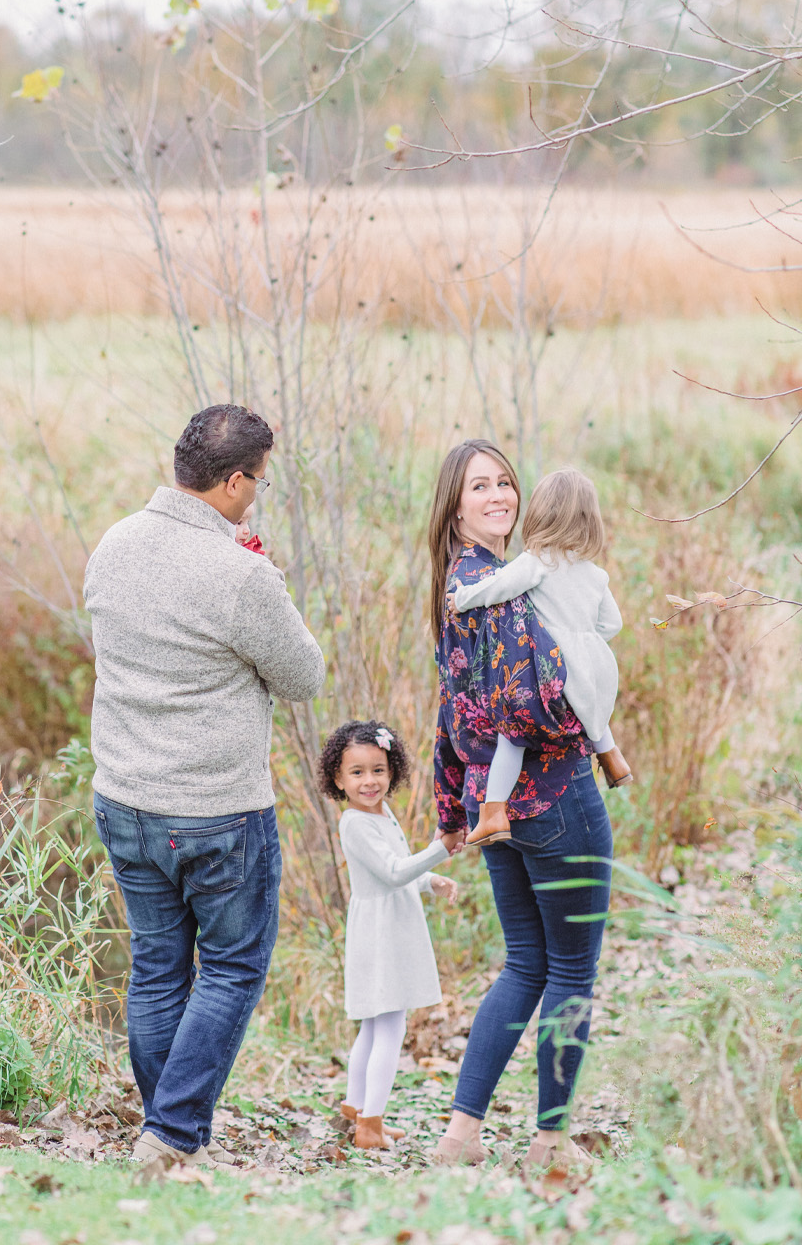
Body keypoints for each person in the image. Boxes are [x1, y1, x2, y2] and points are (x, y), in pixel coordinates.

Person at [84, 403, 325, 1169]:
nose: (256, 493)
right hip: (215, 811)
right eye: (255, 481)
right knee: (230, 969)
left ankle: (166, 1135)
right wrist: (265, 575)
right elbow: (303, 677)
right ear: (231, 481)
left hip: (124, 795)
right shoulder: (242, 575)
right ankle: (171, 1134)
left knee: (158, 967)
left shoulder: (114, 543)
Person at [428, 439, 613, 1172]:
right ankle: (548, 1147)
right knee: (569, 974)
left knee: (525, 966)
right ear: (455, 504)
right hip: (555, 797)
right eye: (480, 487)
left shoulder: (464, 581)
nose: (499, 496)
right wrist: (586, 724)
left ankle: (460, 1137)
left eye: (505, 482)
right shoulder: (510, 589)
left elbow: (451, 714)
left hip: (494, 806)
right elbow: (526, 705)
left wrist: (455, 806)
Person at [448, 467, 633, 848]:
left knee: (512, 737)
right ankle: (613, 760)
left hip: (552, 669)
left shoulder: (538, 561)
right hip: (593, 663)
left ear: (539, 515)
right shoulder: (594, 573)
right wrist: (586, 643)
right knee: (589, 705)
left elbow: (498, 587)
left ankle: (494, 811)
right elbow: (612, 623)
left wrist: (462, 597)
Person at [320, 719, 458, 1151]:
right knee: (390, 1025)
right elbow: (394, 871)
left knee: (375, 1022)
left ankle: (358, 1105)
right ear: (338, 778)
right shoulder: (354, 823)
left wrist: (430, 879)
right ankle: (371, 1124)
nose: (369, 781)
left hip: (389, 920)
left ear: (392, 770)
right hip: (382, 931)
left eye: (378, 770)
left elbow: (395, 869)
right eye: (357, 772)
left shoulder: (381, 814)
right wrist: (442, 846)